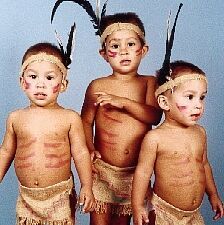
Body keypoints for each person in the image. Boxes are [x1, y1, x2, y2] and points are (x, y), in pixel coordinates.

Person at [81, 12, 162, 225]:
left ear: (143, 50)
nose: (123, 51)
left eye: (131, 44)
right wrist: (89, 148)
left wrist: (123, 102)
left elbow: (154, 116)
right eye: (115, 46)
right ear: (104, 54)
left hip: (136, 172)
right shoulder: (97, 86)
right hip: (103, 171)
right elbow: (86, 122)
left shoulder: (148, 83)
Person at [0, 42, 95, 224]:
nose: (41, 84)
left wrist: (87, 186)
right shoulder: (16, 118)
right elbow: (5, 151)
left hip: (59, 196)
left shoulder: (69, 118)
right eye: (33, 77)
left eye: (49, 78)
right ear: (22, 82)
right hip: (27, 198)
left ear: (63, 84)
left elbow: (81, 153)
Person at [132, 60, 224, 225]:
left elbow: (204, 165)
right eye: (190, 97)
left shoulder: (200, 133)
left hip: (193, 214)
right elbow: (143, 173)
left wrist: (213, 195)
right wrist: (137, 206)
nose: (198, 105)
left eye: (201, 97)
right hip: (164, 212)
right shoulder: (156, 138)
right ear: (164, 103)